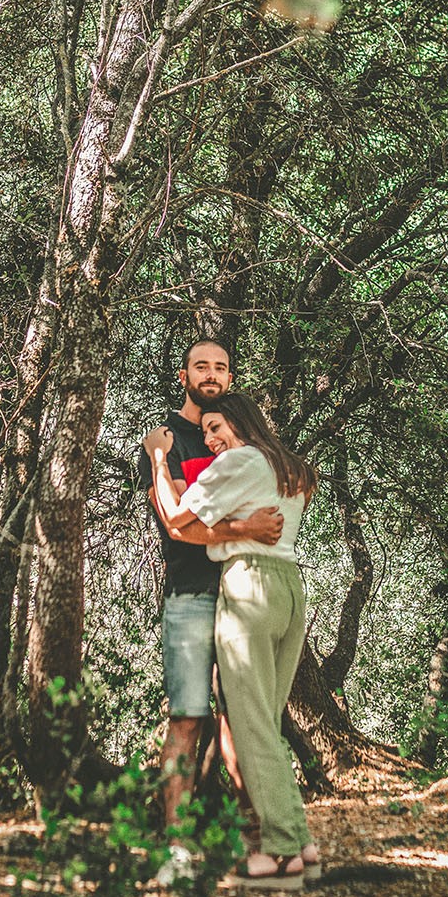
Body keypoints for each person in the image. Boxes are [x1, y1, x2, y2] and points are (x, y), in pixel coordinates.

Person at [143, 392, 319, 889]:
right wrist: (240, 525)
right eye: (208, 431)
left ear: (240, 423)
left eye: (218, 427)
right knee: (268, 721)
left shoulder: (240, 460)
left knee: (251, 725)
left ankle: (282, 855)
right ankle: (303, 843)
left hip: (250, 587)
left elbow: (176, 518)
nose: (212, 439)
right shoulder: (291, 469)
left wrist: (160, 457)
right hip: (289, 587)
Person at [136, 339, 282, 828]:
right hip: (191, 594)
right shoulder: (166, 440)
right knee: (187, 716)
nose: (212, 375)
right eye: (201, 366)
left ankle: (254, 832)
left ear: (231, 380)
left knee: (244, 717)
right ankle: (176, 839)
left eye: (221, 368)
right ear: (184, 376)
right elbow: (175, 523)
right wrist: (246, 529)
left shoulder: (240, 441)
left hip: (244, 592)